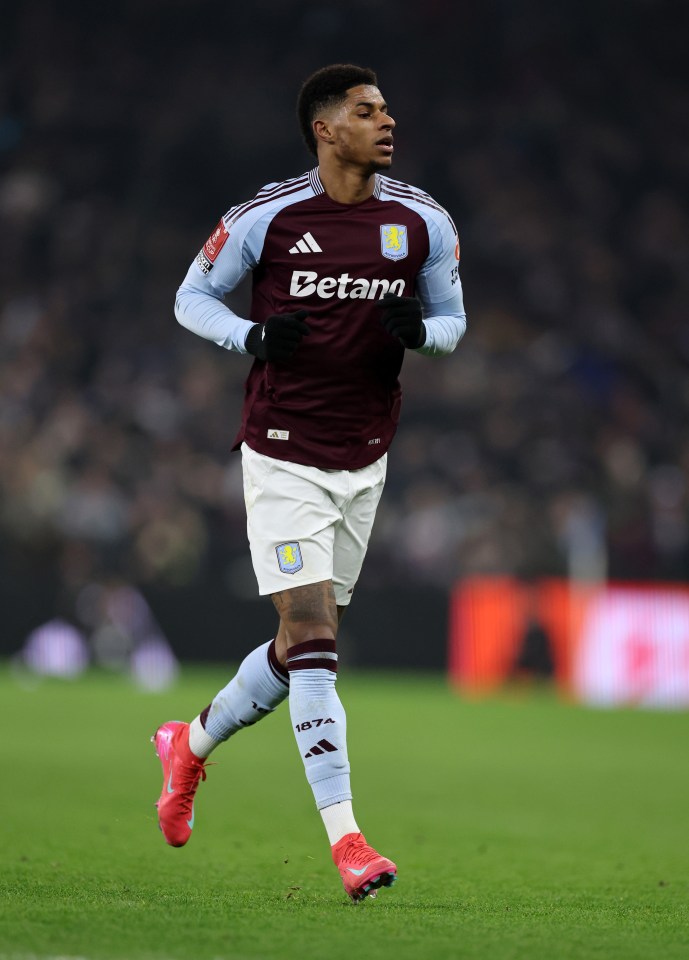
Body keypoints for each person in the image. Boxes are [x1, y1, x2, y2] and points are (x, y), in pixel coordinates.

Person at [152, 63, 467, 902]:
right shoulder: (268, 215)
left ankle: (189, 743)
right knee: (316, 641)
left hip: (365, 454)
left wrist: (423, 334)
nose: (386, 121)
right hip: (282, 449)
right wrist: (250, 336)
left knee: (298, 654)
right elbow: (191, 297)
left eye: (387, 108)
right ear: (326, 130)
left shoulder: (422, 220)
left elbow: (452, 323)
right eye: (366, 111)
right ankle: (349, 843)